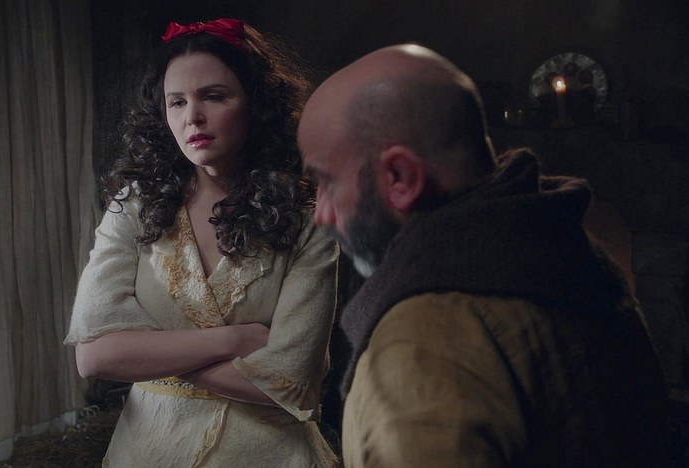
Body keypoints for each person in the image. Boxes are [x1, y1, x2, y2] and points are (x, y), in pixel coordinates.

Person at [298, 44, 671, 467]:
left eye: (326, 182)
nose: (321, 214)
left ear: (399, 176)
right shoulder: (574, 256)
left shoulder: (424, 345)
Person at [66, 18, 339, 467]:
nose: (192, 116)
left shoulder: (304, 215)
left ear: (256, 103)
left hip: (268, 456)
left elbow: (293, 382)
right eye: (177, 102)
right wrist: (236, 340)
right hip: (149, 452)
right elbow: (95, 356)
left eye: (213, 96)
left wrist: (150, 356)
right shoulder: (134, 206)